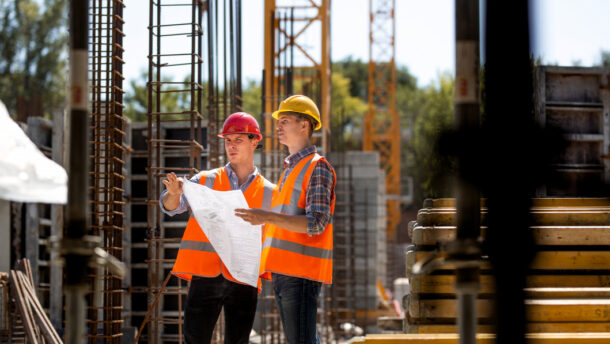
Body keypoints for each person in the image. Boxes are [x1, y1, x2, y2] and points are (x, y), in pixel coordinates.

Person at [159, 112, 274, 344]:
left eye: (238, 140)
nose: (231, 146)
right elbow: (171, 206)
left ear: (255, 141)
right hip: (206, 273)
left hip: (243, 278)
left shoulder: (271, 192)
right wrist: (172, 195)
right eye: (227, 140)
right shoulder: (205, 180)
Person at [235, 95, 336, 344]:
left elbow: (317, 222)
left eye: (286, 120)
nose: (278, 126)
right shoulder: (290, 169)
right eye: (278, 121)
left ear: (304, 125)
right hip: (284, 271)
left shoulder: (317, 167)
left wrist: (265, 216)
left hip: (300, 272)